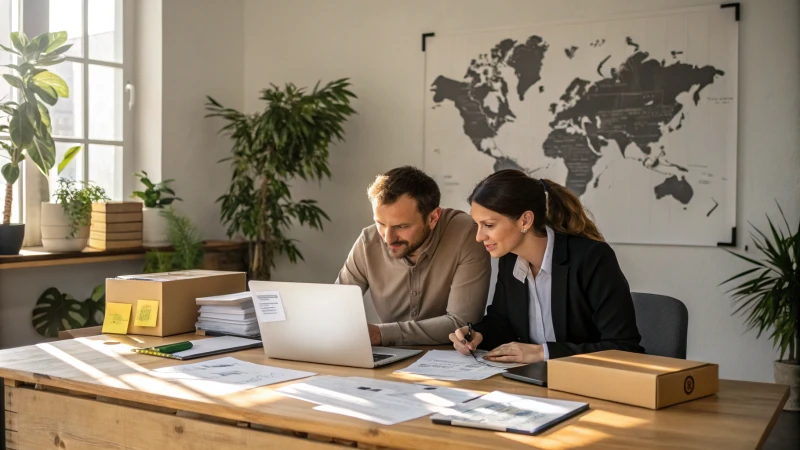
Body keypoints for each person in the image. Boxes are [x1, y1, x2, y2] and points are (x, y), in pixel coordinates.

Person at [449, 169, 643, 363]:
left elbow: (624, 348)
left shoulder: (591, 258)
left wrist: (542, 353)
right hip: (531, 382)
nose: (479, 237)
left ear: (525, 220)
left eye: (489, 225)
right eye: (478, 225)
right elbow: (502, 322)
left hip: (587, 383)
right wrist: (478, 335)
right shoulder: (509, 260)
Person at [337, 166, 491, 346]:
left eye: (401, 226)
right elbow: (336, 308)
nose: (388, 238)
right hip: (391, 359)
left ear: (433, 218)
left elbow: (461, 323)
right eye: (380, 223)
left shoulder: (466, 235)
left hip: (449, 360)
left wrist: (382, 333)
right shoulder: (368, 243)